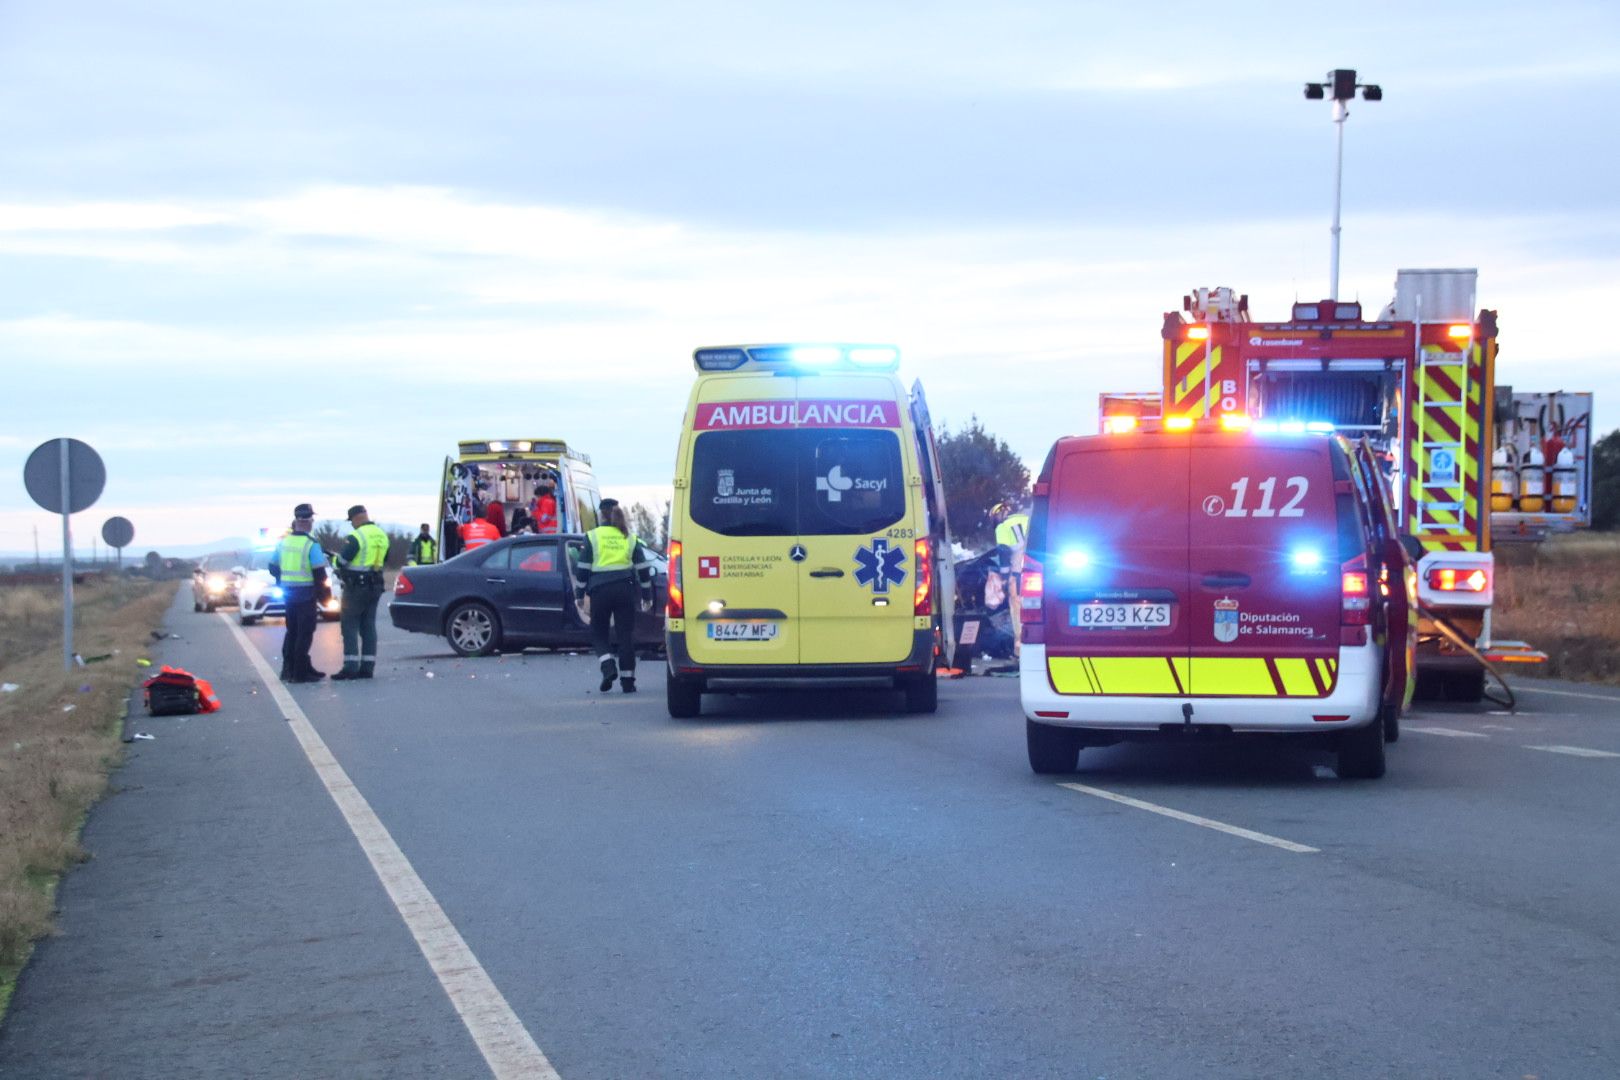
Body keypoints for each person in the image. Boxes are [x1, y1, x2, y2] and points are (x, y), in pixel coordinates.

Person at [573, 500, 655, 693]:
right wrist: (646, 595)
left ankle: (608, 666)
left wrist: (579, 593)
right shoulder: (629, 537)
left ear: (601, 515)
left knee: (598, 632)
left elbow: (583, 568)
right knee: (625, 634)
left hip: (600, 590)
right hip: (625, 590)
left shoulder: (593, 536)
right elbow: (643, 569)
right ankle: (628, 682)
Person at [269, 504, 330, 683]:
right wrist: (325, 597)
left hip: (288, 594)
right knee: (305, 633)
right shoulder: (311, 544)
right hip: (305, 594)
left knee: (292, 631)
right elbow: (320, 574)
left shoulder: (283, 542)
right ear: (309, 521)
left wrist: (282, 581)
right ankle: (300, 673)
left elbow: (273, 567)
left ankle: (288, 670)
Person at [331, 505, 389, 680]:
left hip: (356, 587)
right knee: (368, 625)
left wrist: (333, 558)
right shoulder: (381, 535)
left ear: (356, 518)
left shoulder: (356, 536)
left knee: (349, 625)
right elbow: (384, 559)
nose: (352, 525)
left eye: (351, 522)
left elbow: (342, 561)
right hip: (375, 585)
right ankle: (367, 667)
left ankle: (350, 667)